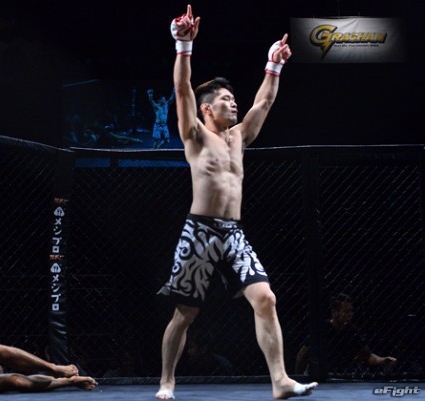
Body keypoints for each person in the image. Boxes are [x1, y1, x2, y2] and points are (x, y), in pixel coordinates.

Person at [155, 5, 317, 400]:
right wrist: (183, 46)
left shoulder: (239, 137)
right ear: (207, 108)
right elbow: (182, 89)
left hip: (233, 233)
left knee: (266, 298)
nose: (234, 103)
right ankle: (167, 382)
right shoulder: (195, 134)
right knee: (186, 313)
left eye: (233, 99)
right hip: (199, 231)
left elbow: (264, 104)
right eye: (226, 99)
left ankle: (280, 381)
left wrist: (273, 65)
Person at [295, 293, 398, 378]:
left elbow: (368, 355)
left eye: (351, 311)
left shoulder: (352, 331)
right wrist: (298, 377)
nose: (350, 315)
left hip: (342, 376)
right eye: (346, 311)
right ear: (334, 312)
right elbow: (302, 354)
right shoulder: (322, 329)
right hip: (320, 376)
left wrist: (383, 360)